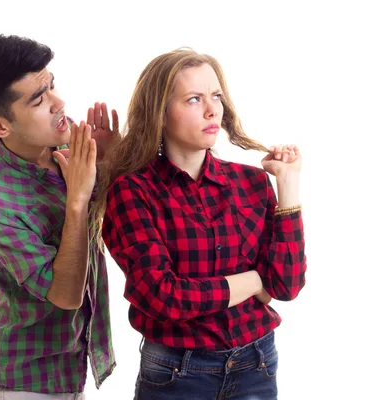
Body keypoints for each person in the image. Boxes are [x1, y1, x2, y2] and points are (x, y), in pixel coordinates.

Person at [92, 48, 307, 399]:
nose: (212, 110)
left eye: (216, 96)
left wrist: (288, 184)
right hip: (177, 373)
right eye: (194, 99)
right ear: (159, 113)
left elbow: (286, 285)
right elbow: (163, 298)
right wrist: (254, 281)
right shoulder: (134, 192)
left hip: (257, 364)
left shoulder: (252, 182)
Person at [0, 34, 118, 400]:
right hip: (22, 380)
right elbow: (65, 295)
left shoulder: (63, 140)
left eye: (52, 85)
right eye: (38, 99)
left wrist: (108, 163)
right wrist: (76, 200)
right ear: (0, 126)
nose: (59, 102)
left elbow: (108, 220)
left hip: (71, 365)